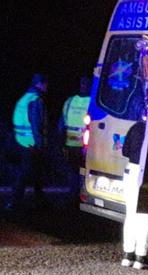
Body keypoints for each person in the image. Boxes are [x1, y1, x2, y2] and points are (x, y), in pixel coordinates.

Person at [121, 38, 148, 270]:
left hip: (129, 171)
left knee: (130, 214)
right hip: (144, 173)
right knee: (146, 215)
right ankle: (141, 257)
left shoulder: (135, 127)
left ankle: (127, 255)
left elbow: (125, 150)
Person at [8, 74, 49, 213]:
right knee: (25, 174)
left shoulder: (23, 99)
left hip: (21, 142)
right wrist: (40, 145)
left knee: (34, 173)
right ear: (40, 84)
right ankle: (15, 203)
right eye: (45, 84)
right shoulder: (36, 100)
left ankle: (40, 201)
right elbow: (36, 125)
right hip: (32, 145)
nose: (46, 87)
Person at [59, 76, 93, 207]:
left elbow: (61, 125)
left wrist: (61, 142)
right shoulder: (92, 102)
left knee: (74, 173)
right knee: (79, 174)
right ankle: (77, 199)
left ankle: (73, 198)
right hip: (83, 146)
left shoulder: (70, 101)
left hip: (73, 144)